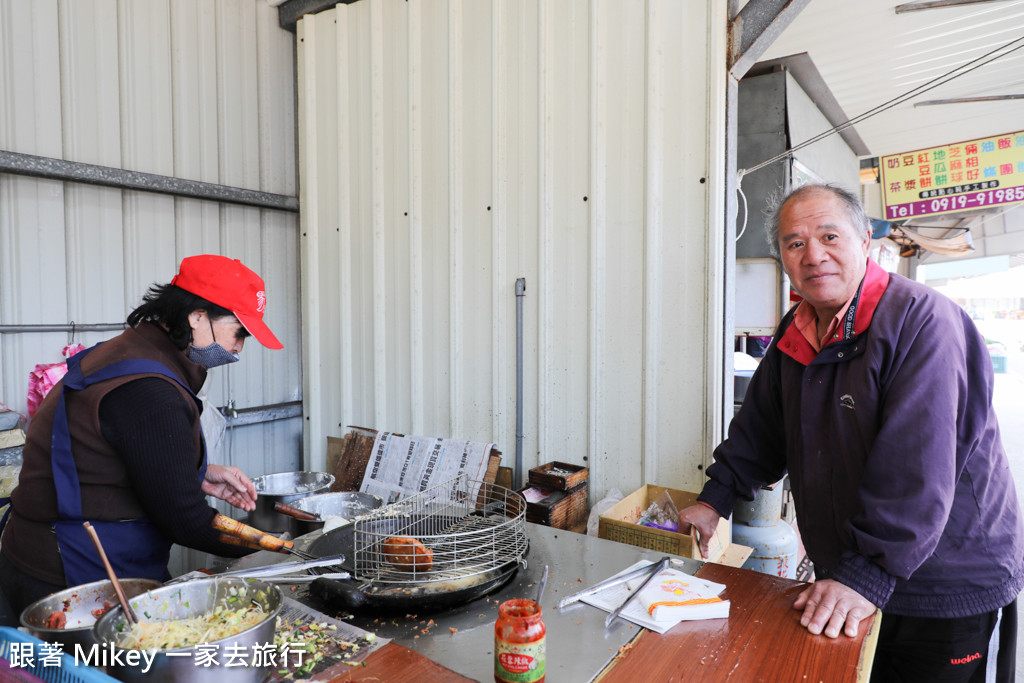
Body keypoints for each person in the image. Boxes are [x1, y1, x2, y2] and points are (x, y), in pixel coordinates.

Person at [679, 184, 1023, 682]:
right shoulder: (796, 331)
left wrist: (863, 574)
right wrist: (716, 500)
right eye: (794, 243)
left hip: (943, 576)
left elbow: (916, 466)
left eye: (829, 236)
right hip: (853, 570)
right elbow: (762, 429)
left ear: (866, 241)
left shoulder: (922, 321)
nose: (813, 255)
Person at [0, 254, 284, 623]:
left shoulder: (130, 351)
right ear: (197, 316)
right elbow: (187, 521)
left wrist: (200, 472)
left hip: (41, 554)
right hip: (71, 581)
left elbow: (113, 450)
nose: (239, 347)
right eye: (239, 332)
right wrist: (277, 546)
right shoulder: (150, 389)